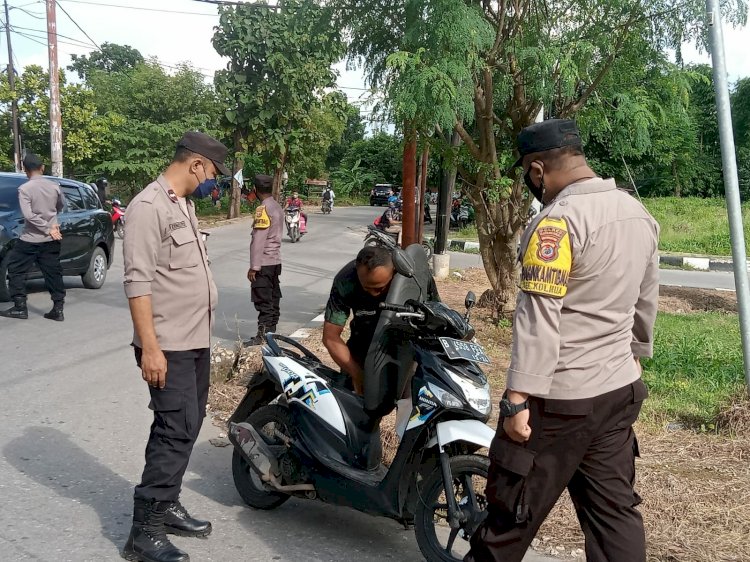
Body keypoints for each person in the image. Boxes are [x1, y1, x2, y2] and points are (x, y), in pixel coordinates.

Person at [466, 119, 659, 562]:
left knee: (508, 519)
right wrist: (635, 357)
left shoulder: (556, 223)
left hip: (559, 402)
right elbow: (645, 302)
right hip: (619, 390)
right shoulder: (638, 213)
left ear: (537, 171)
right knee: (614, 516)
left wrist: (516, 398)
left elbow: (539, 314)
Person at [122, 131, 229, 562]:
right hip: (167, 344)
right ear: (197, 165)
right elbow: (137, 282)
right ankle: (142, 532)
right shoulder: (148, 207)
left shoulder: (181, 203)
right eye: (214, 174)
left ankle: (165, 505)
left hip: (194, 339)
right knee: (175, 429)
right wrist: (150, 348)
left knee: (185, 424)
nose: (214, 183)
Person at [322, 245, 438, 395]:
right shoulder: (346, 280)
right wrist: (357, 374)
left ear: (395, 272)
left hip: (408, 345)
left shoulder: (412, 275)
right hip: (365, 344)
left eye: (380, 288)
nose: (374, 294)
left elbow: (435, 311)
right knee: (355, 409)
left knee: (415, 401)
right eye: (367, 288)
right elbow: (330, 337)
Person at [0, 153, 65, 321]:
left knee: (15, 269)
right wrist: (51, 224)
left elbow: (28, 216)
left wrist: (46, 227)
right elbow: (61, 206)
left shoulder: (24, 189)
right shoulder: (54, 186)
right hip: (51, 239)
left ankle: (20, 307)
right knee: (53, 273)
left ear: (25, 170)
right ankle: (58, 309)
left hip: (30, 239)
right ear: (42, 167)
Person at [244, 174, 284, 346]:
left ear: (255, 189)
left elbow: (259, 239)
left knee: (263, 299)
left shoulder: (263, 209)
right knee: (273, 297)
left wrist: (254, 266)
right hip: (276, 261)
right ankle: (271, 332)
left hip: (264, 263)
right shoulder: (277, 207)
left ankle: (263, 336)